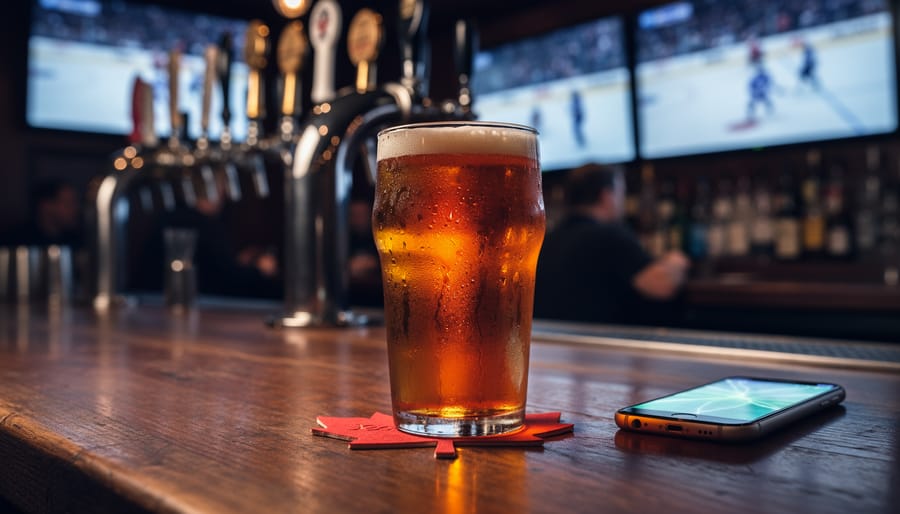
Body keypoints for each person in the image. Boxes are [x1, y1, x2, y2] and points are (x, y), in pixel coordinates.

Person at [534, 163, 690, 325]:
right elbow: (662, 285)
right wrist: (676, 260)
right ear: (607, 196)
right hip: (597, 345)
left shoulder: (546, 239)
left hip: (551, 345)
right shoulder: (609, 236)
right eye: (621, 193)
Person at [1, 180, 83, 248]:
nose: (76, 208)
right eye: (68, 203)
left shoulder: (77, 242)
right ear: (46, 206)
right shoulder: (16, 242)